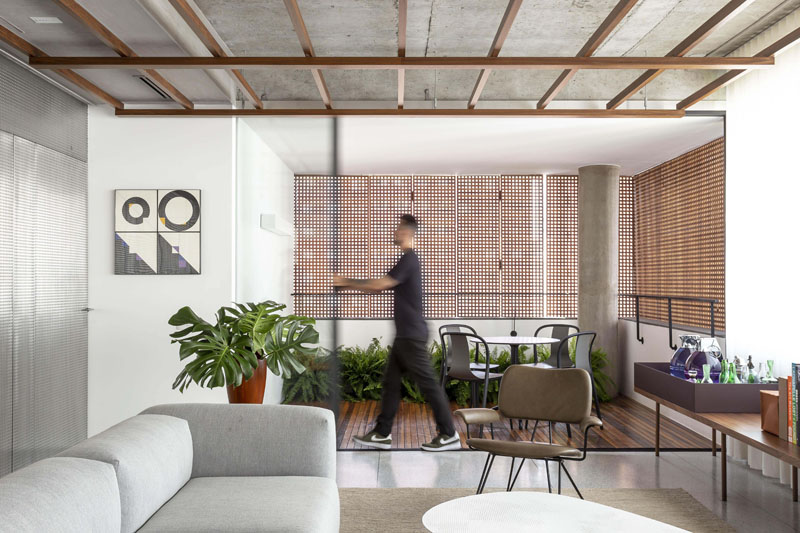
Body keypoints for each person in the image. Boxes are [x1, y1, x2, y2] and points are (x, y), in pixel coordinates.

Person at [333, 214, 459, 451]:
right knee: (391, 383)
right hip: (405, 336)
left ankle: (449, 434)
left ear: (407, 232)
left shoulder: (410, 259)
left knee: (429, 385)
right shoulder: (406, 260)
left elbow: (380, 285)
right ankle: (382, 433)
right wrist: (347, 284)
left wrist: (346, 282)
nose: (395, 232)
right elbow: (378, 288)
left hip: (411, 336)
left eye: (398, 229)